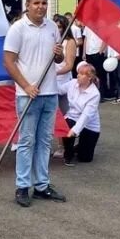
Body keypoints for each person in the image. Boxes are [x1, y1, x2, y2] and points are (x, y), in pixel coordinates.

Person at [3, 0, 66, 208]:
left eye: (44, 3)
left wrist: (59, 55)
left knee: (44, 141)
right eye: (36, 3)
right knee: (27, 141)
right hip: (28, 94)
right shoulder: (18, 29)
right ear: (28, 5)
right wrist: (26, 86)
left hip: (50, 93)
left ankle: (41, 185)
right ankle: (22, 186)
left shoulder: (52, 28)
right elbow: (8, 61)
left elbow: (58, 60)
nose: (41, 7)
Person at [60, 62, 102, 166]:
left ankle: (77, 148)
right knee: (67, 124)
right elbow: (59, 90)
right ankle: (67, 153)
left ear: (89, 78)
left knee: (85, 158)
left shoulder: (95, 94)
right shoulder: (72, 83)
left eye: (82, 74)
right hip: (72, 117)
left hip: (89, 125)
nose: (78, 75)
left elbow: (86, 116)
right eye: (78, 73)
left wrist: (74, 131)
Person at [52, 15, 77, 159]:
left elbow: (69, 65)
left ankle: (66, 146)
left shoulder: (70, 42)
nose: (57, 29)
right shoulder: (52, 40)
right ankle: (60, 145)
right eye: (55, 26)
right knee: (54, 116)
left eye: (60, 26)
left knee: (66, 115)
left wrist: (54, 72)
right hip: (51, 83)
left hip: (64, 82)